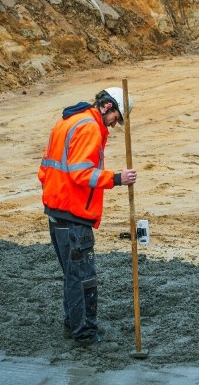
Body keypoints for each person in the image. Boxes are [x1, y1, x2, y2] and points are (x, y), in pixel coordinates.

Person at [38, 87, 137, 347]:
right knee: (84, 278)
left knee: (72, 276)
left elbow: (44, 169)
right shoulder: (90, 127)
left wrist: (55, 194)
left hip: (58, 212)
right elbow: (81, 173)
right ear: (107, 106)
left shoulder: (67, 121)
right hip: (73, 216)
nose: (116, 123)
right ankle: (85, 335)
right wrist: (117, 178)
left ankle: (72, 327)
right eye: (117, 116)